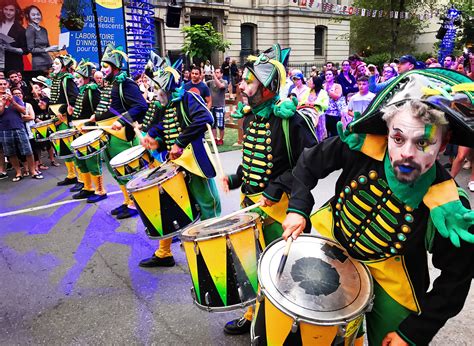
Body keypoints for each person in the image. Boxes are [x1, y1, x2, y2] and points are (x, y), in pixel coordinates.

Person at [281, 68, 474, 345]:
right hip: (332, 245)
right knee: (305, 328)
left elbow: (457, 278)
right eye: (398, 138)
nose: (407, 152)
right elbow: (309, 163)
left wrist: (414, 332)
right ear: (387, 132)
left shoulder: (450, 206)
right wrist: (298, 208)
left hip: (393, 280)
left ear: (443, 143)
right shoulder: (362, 145)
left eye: (423, 142)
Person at [222, 43, 318, 335]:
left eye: (248, 81)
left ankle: (278, 322)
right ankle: (252, 313)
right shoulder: (250, 115)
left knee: (278, 268)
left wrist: (277, 186)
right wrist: (237, 178)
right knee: (250, 261)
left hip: (279, 210)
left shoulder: (291, 120)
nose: (241, 85)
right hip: (249, 204)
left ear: (267, 86)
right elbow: (253, 160)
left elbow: (311, 161)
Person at [139, 52, 221, 267]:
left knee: (207, 203)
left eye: (158, 88)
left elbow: (206, 118)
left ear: (166, 87)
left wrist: (180, 142)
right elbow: (162, 124)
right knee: (171, 204)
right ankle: (164, 253)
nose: (155, 93)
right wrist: (152, 136)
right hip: (173, 163)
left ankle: (212, 247)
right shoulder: (164, 104)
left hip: (193, 160)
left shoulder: (188, 97)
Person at [92, 44, 148, 218]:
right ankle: (127, 200)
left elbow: (141, 105)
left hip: (123, 134)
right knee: (114, 169)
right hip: (109, 132)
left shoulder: (126, 83)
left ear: (115, 67)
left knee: (126, 170)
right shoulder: (111, 84)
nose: (102, 70)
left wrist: (121, 120)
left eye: (105, 66)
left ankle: (135, 204)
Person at [70, 59, 107, 202]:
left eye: (78, 77)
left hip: (89, 130)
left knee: (92, 161)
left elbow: (101, 109)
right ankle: (87, 187)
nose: (76, 79)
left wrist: (90, 121)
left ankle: (100, 190)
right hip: (80, 130)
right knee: (80, 160)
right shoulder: (83, 90)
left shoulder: (92, 90)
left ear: (85, 78)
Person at [0, 78, 42, 181]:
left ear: (8, 85)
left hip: (19, 126)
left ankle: (33, 171)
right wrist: (3, 103)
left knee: (27, 150)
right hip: (4, 129)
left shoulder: (15, 98)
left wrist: (12, 102)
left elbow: (23, 111)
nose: (3, 85)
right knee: (11, 152)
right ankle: (18, 172)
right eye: (0, 84)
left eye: (4, 84)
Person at [49, 54, 80, 188]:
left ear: (63, 66)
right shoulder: (57, 79)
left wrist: (62, 111)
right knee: (65, 148)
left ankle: (81, 179)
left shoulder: (67, 79)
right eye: (53, 63)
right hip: (58, 118)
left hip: (66, 119)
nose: (53, 65)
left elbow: (74, 98)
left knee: (72, 147)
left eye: (56, 63)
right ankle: (71, 175)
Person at [24, 5, 59, 72]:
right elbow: (31, 49)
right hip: (38, 64)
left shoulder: (43, 30)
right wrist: (46, 49)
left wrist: (58, 48)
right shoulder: (30, 30)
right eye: (33, 15)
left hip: (49, 62)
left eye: (38, 14)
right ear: (28, 16)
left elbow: (48, 47)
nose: (36, 17)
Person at [298, 75, 329, 141]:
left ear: (314, 84)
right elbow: (301, 102)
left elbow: (325, 105)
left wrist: (315, 103)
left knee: (319, 137)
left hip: (318, 116)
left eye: (310, 81)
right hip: (307, 116)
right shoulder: (307, 91)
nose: (308, 82)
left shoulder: (323, 93)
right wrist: (306, 103)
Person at [0, 0, 26, 72]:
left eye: (11, 10)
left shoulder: (21, 30)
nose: (8, 12)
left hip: (12, 65)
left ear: (16, 11)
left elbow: (25, 50)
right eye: (6, 9)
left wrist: (11, 48)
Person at [206, 67, 228, 145]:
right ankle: (215, 139)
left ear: (222, 74)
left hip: (220, 106)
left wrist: (214, 77)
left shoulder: (224, 81)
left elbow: (221, 86)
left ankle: (221, 139)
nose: (216, 73)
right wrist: (202, 75)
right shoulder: (210, 82)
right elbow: (203, 84)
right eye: (215, 72)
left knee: (221, 125)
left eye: (218, 72)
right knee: (213, 125)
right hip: (212, 107)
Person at [323, 68, 344, 137]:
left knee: (334, 134)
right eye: (326, 75)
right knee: (325, 135)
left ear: (333, 76)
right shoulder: (323, 85)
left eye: (329, 74)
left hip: (334, 114)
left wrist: (329, 90)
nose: (327, 76)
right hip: (324, 113)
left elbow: (337, 96)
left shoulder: (337, 86)